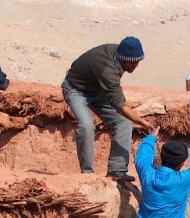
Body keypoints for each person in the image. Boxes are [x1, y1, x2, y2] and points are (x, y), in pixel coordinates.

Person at [61, 37, 155, 182]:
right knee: (86, 126)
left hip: (98, 91)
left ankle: (117, 171)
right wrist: (144, 123)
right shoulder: (107, 70)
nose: (136, 65)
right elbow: (120, 106)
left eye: (138, 61)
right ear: (123, 60)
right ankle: (87, 174)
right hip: (76, 90)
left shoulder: (120, 52)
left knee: (123, 123)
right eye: (133, 62)